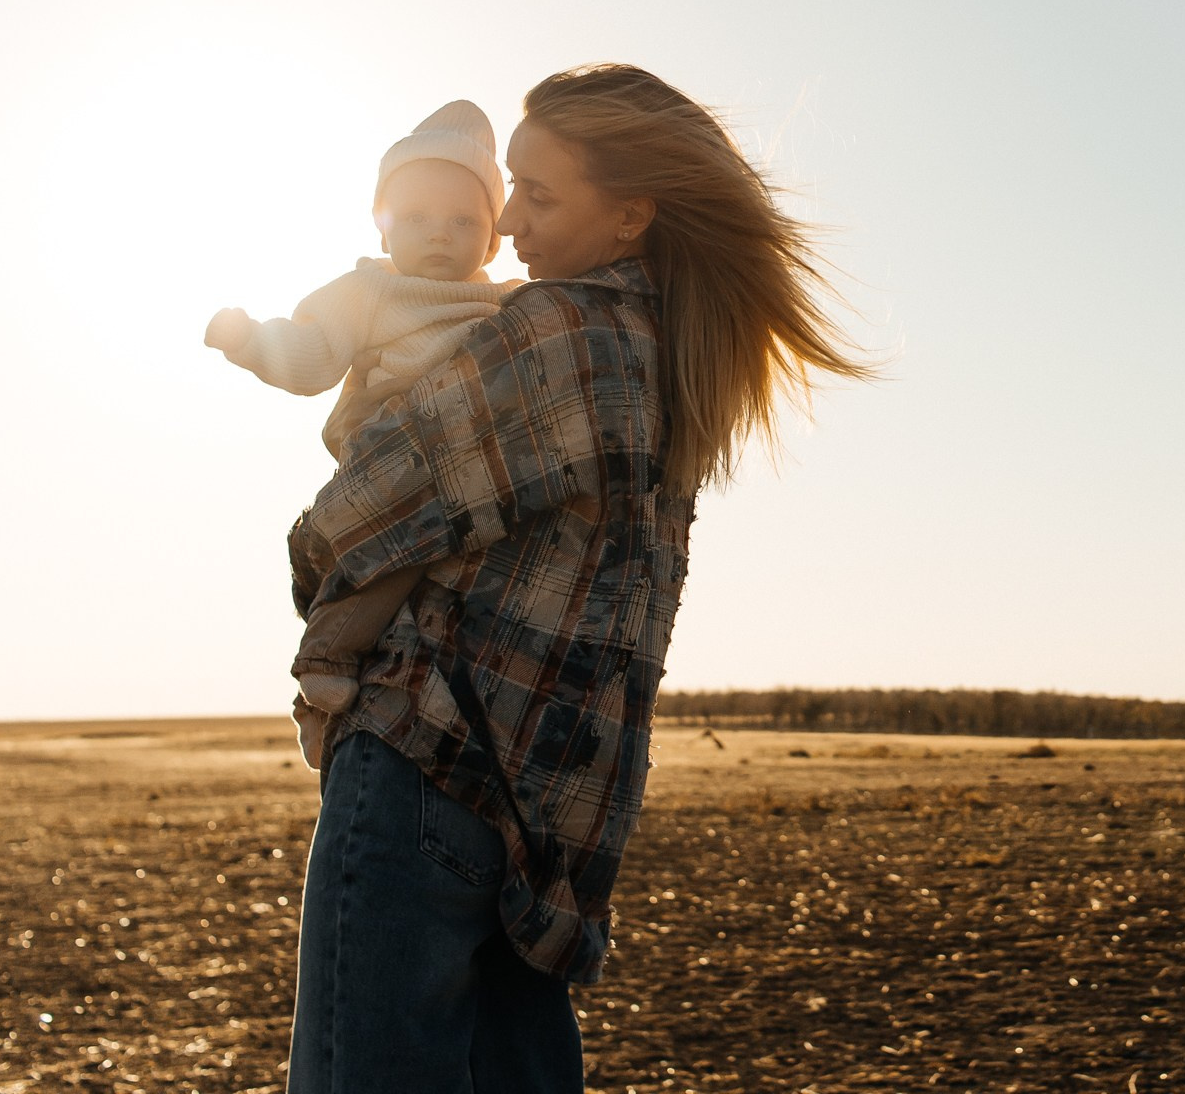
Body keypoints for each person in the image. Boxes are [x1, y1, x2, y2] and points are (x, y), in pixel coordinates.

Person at [283, 65, 870, 1094]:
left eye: (539, 194)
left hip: (427, 766)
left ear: (631, 214)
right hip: (551, 834)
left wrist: (324, 597)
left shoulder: (562, 334)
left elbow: (349, 523)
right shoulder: (677, 367)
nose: (504, 221)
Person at [204, 100, 523, 752]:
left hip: (465, 456)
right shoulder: (369, 291)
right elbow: (312, 354)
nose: (438, 233)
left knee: (440, 581)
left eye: (463, 220)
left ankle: (336, 707)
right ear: (381, 231)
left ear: (493, 239)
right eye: (415, 218)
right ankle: (322, 665)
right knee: (385, 555)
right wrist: (248, 339)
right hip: (385, 435)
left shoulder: (503, 302)